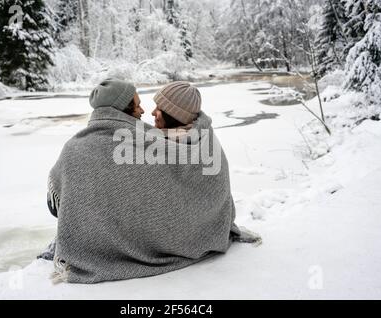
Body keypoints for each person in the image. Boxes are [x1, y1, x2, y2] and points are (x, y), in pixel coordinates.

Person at [39, 79, 260, 284]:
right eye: (137, 105)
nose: (146, 111)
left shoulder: (145, 141)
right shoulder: (191, 138)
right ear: (121, 110)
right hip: (205, 233)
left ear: (174, 114)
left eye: (158, 108)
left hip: (136, 238)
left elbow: (153, 196)